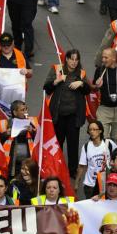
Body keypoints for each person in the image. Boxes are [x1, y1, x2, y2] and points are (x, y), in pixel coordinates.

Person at [44, 49, 90, 178]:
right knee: (57, 144)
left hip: (74, 116)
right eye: (71, 59)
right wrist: (57, 81)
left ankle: (72, 170)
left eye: (76, 60)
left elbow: (88, 90)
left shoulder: (81, 73)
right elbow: (46, 88)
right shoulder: (56, 69)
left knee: (73, 145)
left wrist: (81, 83)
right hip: (58, 115)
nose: (74, 62)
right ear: (67, 59)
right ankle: (55, 168)